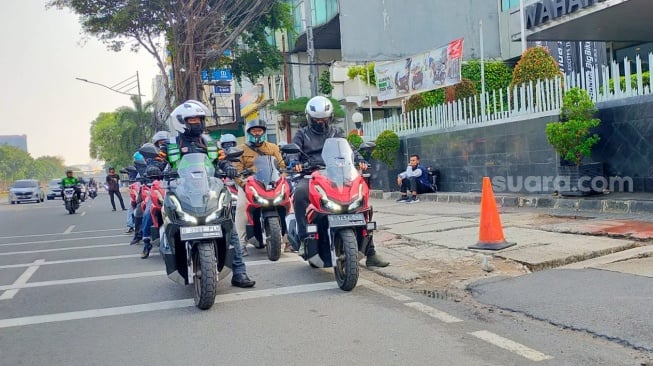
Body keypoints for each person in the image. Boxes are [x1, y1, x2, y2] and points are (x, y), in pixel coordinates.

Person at [289, 96, 389, 268]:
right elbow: (293, 152)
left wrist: (359, 159)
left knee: (361, 201)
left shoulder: (336, 132)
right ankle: (304, 237)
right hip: (311, 175)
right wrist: (295, 162)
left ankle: (370, 251)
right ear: (309, 118)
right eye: (317, 119)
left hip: (337, 175)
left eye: (324, 119)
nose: (321, 122)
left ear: (330, 117)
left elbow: (349, 149)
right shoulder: (302, 134)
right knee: (299, 193)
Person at [168, 100, 255, 288]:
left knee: (228, 226)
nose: (197, 123)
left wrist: (229, 167)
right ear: (181, 121)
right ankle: (175, 257)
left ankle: (239, 272)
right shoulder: (172, 144)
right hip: (182, 192)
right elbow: (159, 160)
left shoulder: (209, 142)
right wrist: (154, 167)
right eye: (192, 119)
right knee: (170, 222)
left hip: (210, 190)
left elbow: (222, 160)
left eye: (199, 119)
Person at [232, 120, 287, 256]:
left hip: (271, 183)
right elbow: (236, 171)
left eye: (259, 130)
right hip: (249, 184)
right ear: (249, 133)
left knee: (287, 202)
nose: (257, 133)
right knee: (241, 207)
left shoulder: (273, 148)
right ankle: (241, 244)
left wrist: (282, 178)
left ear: (264, 132)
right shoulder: (240, 149)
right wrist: (243, 184)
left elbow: (282, 166)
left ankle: (289, 240)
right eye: (254, 131)